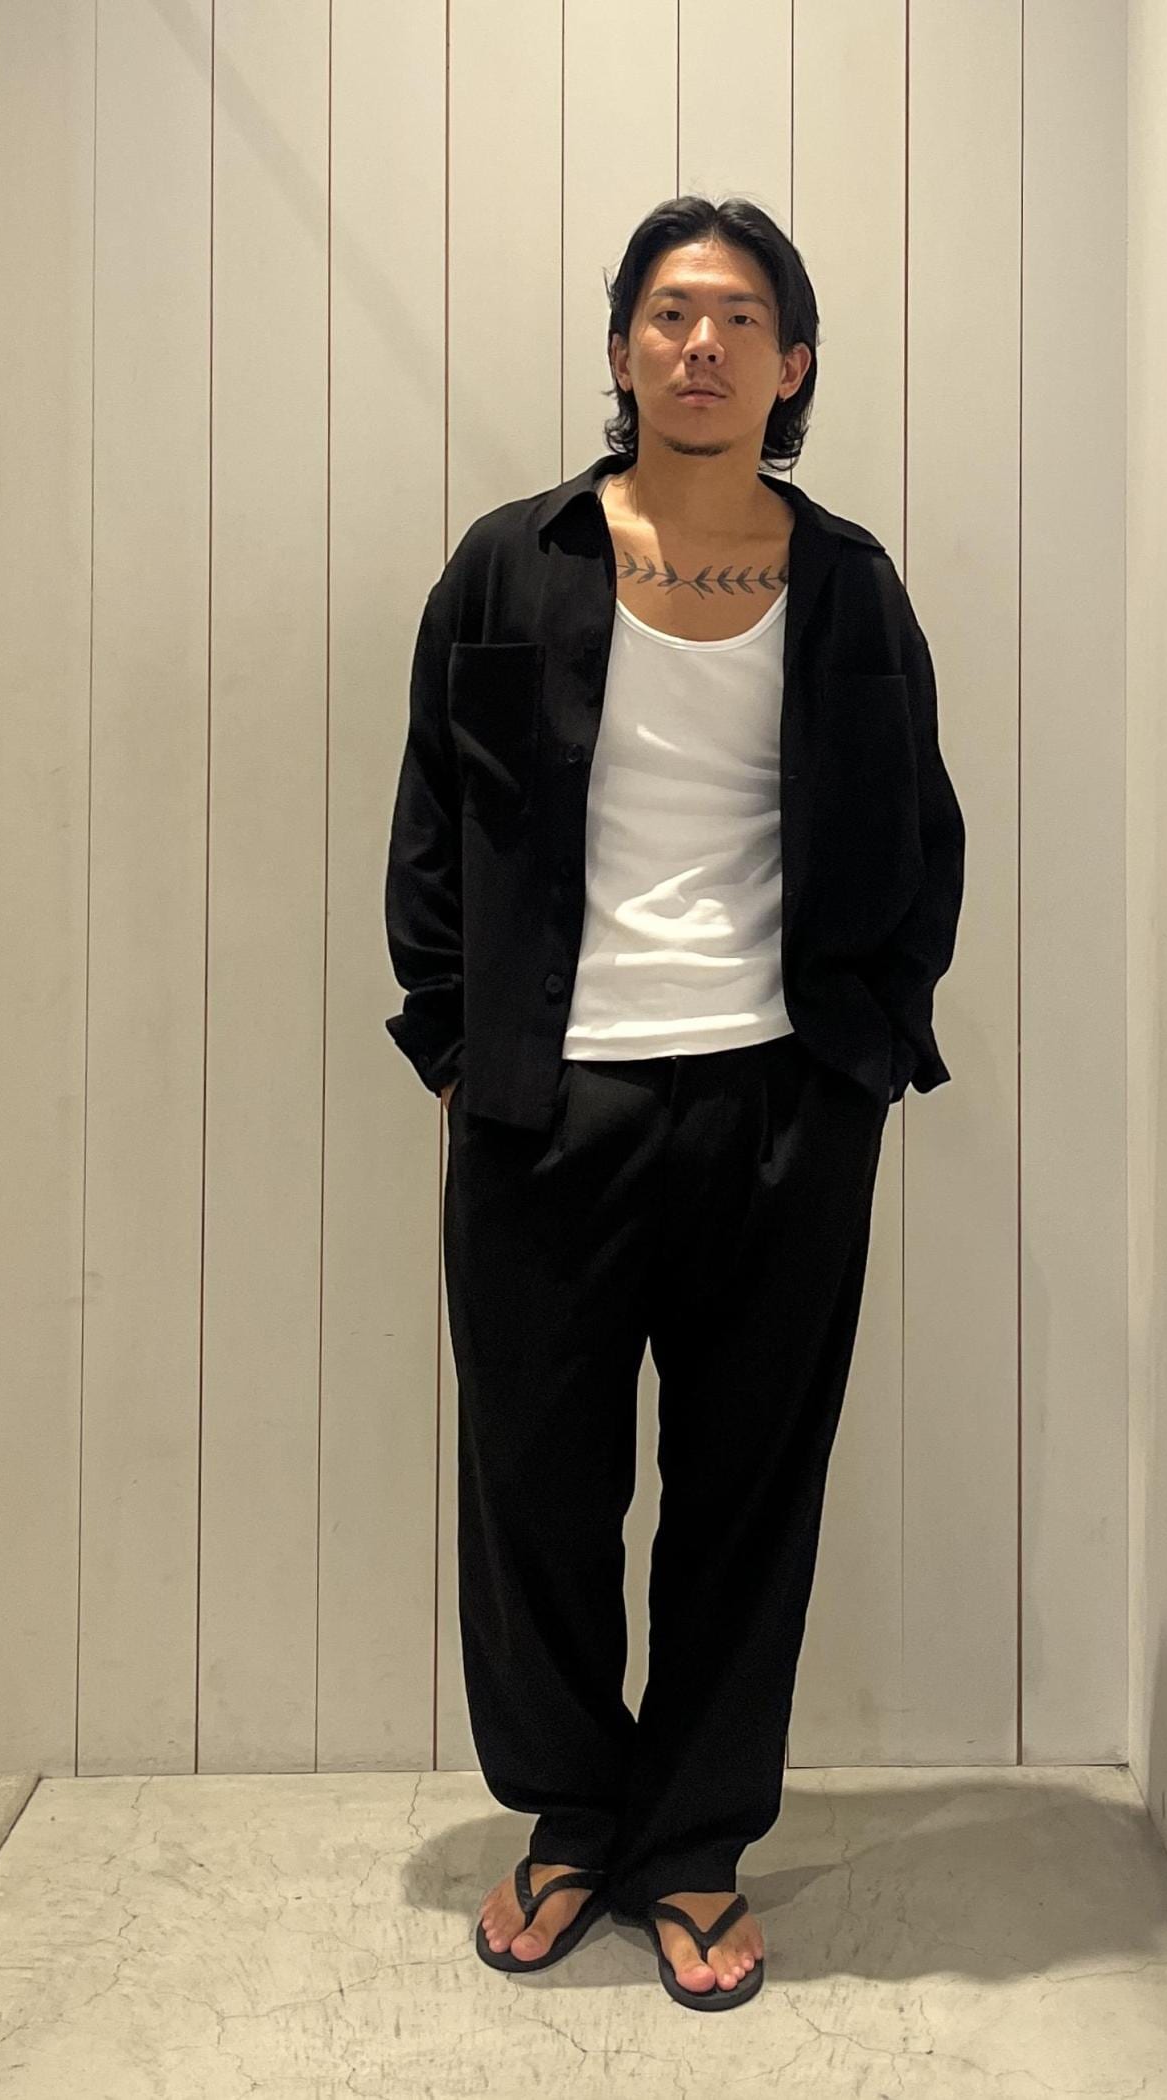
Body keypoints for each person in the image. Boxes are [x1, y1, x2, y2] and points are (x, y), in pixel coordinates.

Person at [384, 194, 965, 2011]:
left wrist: (865, 1053)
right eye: (667, 312)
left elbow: (920, 829)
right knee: (535, 1488)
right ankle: (572, 1818)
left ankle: (695, 1844)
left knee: (746, 1492)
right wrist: (457, 1047)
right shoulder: (512, 563)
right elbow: (432, 820)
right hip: (546, 1107)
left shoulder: (850, 582)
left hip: (783, 1103)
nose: (700, 343)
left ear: (793, 366)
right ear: (623, 347)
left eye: (738, 318)